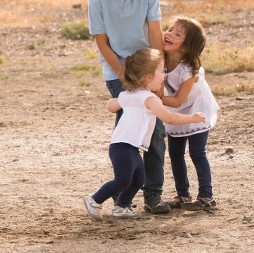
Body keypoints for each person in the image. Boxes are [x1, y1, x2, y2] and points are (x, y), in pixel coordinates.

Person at [87, 0, 171, 214]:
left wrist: (159, 72)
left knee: (154, 130)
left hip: (148, 68)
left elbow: (155, 31)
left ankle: (152, 195)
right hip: (118, 72)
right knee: (132, 130)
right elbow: (102, 43)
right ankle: (121, 195)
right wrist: (127, 78)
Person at [84, 48, 206, 221]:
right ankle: (94, 200)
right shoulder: (149, 99)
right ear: (148, 77)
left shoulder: (129, 94)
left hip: (127, 147)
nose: (163, 76)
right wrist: (191, 118)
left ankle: (122, 206)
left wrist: (117, 103)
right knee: (123, 180)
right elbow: (168, 117)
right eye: (161, 72)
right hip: (124, 146)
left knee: (139, 178)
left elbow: (111, 105)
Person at [161, 16, 220, 210]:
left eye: (177, 34)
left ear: (186, 47)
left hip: (197, 108)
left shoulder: (189, 70)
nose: (169, 34)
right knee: (175, 153)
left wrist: (153, 98)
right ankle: (183, 195)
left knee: (197, 151)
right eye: (169, 29)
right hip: (177, 109)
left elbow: (178, 99)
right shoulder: (160, 58)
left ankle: (206, 196)